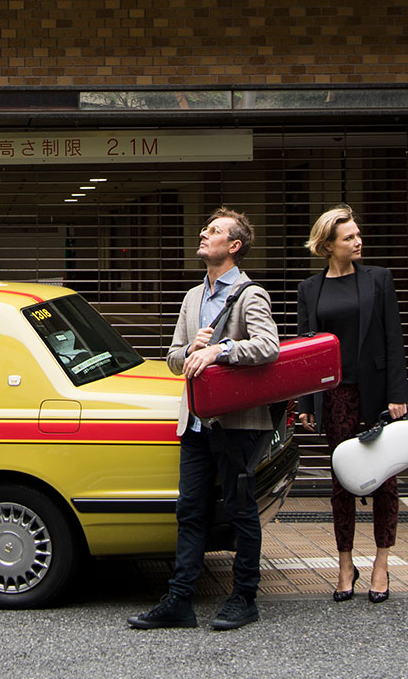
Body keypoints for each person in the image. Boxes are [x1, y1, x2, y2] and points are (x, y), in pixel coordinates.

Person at [128, 208, 280, 631]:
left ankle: (243, 599)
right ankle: (179, 600)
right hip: (196, 422)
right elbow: (174, 358)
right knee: (190, 511)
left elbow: (269, 347)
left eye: (213, 231)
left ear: (234, 246)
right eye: (206, 228)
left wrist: (219, 350)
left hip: (238, 426)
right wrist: (191, 349)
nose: (203, 233)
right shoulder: (193, 296)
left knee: (240, 511)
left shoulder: (251, 294)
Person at [295, 205, 408, 603]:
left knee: (385, 480)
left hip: (376, 394)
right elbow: (307, 351)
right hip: (336, 396)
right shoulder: (311, 289)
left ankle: (381, 563)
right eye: (349, 237)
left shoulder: (379, 280)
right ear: (327, 245)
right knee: (342, 480)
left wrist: (398, 395)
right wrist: (307, 401)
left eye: (358, 235)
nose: (358, 241)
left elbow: (394, 340)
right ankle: (345, 565)